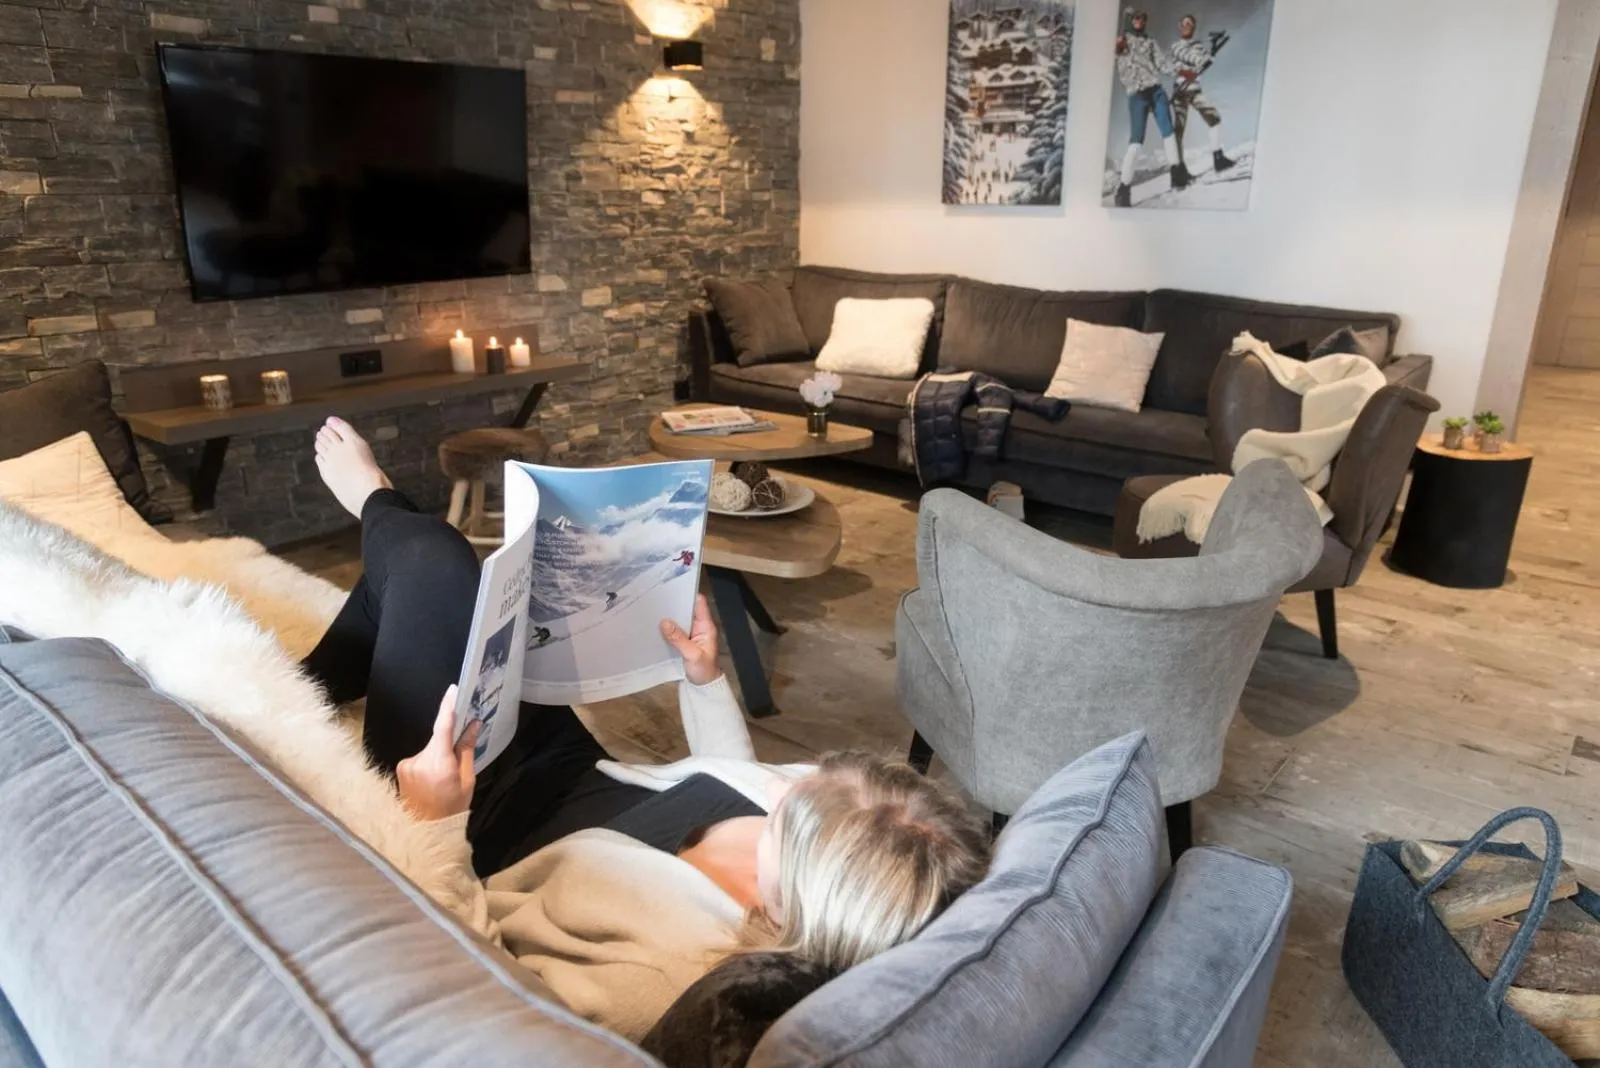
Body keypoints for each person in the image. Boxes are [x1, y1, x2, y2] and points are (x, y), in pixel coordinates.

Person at [300, 417, 993, 1042]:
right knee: (476, 598)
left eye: (790, 812)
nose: (785, 790)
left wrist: (431, 826)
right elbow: (738, 779)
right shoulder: (840, 820)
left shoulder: (661, 981)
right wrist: (704, 679)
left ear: (797, 910)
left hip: (474, 816)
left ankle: (374, 501)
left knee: (430, 561)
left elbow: (486, 990)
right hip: (564, 757)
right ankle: (315, 677)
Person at [1112, 9, 1190, 207]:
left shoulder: (1151, 42)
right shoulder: (1121, 42)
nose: (1139, 21)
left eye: (1143, 18)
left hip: (1155, 92)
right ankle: (1123, 189)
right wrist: (1117, 45)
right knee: (1136, 141)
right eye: (1136, 18)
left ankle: (1177, 174)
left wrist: (1181, 72)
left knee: (1168, 131)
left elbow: (1163, 65)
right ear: (1130, 20)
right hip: (1137, 96)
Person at [1170, 13, 1235, 175]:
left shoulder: (1198, 45)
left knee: (1214, 118)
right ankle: (1179, 171)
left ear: (1193, 27)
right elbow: (1187, 59)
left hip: (1194, 89)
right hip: (1180, 90)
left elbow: (1204, 61)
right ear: (1180, 26)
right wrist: (1202, 60)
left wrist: (1211, 53)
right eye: (1184, 23)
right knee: (1178, 131)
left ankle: (1218, 158)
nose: (1186, 26)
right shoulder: (1176, 46)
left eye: (1189, 24)